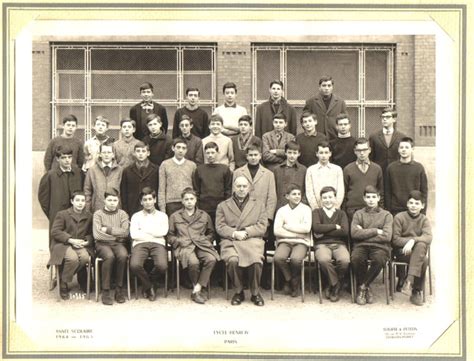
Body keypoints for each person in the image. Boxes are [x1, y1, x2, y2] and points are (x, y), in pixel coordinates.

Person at [216, 176, 268, 306]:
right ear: (234, 187)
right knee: (233, 260)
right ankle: (238, 291)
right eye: (239, 186)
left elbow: (262, 226)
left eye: (244, 186)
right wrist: (234, 233)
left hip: (251, 239)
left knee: (256, 261)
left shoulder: (259, 204)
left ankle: (255, 293)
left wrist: (246, 232)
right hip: (231, 241)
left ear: (249, 187)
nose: (241, 189)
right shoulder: (223, 206)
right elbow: (220, 227)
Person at [168, 188, 220, 304]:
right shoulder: (175, 216)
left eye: (192, 199)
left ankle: (197, 288)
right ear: (182, 201)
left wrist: (205, 239)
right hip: (185, 246)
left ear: (196, 200)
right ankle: (198, 291)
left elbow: (212, 233)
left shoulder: (204, 215)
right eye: (186, 199)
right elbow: (169, 236)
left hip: (201, 245)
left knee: (211, 259)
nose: (189, 202)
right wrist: (179, 241)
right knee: (193, 263)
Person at [351, 185, 393, 306]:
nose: (371, 200)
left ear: (378, 198)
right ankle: (367, 288)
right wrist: (376, 231)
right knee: (355, 258)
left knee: (379, 259)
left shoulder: (387, 215)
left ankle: (363, 287)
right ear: (364, 198)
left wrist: (363, 231)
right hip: (361, 245)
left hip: (380, 247)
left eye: (373, 197)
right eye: (368, 197)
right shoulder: (358, 214)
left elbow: (387, 236)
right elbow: (354, 233)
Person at [48, 191, 93, 299]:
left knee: (85, 257)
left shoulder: (89, 216)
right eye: (77, 200)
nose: (80, 203)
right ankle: (63, 283)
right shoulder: (63, 214)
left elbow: (91, 233)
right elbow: (55, 231)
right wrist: (70, 240)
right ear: (72, 201)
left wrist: (87, 241)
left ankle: (63, 277)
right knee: (72, 258)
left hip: (80, 245)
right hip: (63, 244)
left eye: (83, 201)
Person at [392, 190, 433, 306]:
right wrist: (409, 242)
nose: (413, 206)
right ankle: (416, 290)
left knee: (422, 251)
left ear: (422, 205)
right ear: (407, 204)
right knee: (422, 258)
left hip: (416, 253)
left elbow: (429, 237)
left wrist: (413, 240)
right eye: (411, 203)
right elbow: (395, 239)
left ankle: (410, 282)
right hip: (402, 252)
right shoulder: (399, 217)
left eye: (417, 203)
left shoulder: (424, 219)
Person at [38, 145, 83, 249]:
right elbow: (43, 198)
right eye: (63, 157)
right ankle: (57, 263)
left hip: (75, 213)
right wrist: (52, 212)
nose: (67, 160)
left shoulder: (78, 173)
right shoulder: (50, 175)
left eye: (69, 157)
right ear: (57, 159)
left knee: (75, 240)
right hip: (57, 213)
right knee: (57, 241)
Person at [129, 187, 169, 302]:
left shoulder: (163, 216)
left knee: (162, 265)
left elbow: (163, 232)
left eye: (150, 199)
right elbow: (134, 234)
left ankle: (149, 282)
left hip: (158, 243)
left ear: (155, 200)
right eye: (145, 200)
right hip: (140, 243)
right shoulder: (136, 216)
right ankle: (150, 286)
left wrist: (145, 231)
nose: (148, 202)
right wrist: (152, 233)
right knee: (135, 265)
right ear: (141, 202)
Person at [312, 186, 350, 302]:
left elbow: (344, 231)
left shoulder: (341, 214)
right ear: (321, 200)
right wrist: (334, 227)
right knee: (323, 260)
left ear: (335, 198)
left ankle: (331, 283)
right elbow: (316, 227)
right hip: (322, 244)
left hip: (339, 244)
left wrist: (324, 231)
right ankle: (336, 284)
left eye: (330, 197)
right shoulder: (317, 212)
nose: (328, 200)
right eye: (325, 198)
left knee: (345, 261)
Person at [273, 184, 311, 297]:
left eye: (299, 194)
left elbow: (306, 228)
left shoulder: (306, 209)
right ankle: (290, 279)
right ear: (287, 196)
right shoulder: (281, 210)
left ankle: (295, 280)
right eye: (294, 194)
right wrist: (297, 234)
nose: (297, 196)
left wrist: (288, 227)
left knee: (295, 259)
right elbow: (277, 230)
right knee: (278, 258)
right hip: (285, 241)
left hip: (301, 242)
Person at [93, 189, 130, 305]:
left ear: (118, 201)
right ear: (104, 200)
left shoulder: (122, 214)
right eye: (109, 200)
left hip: (118, 244)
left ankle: (119, 290)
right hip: (102, 244)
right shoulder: (98, 214)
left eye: (115, 200)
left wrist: (107, 229)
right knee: (109, 256)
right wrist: (117, 236)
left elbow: (125, 232)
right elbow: (97, 234)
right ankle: (106, 291)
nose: (112, 202)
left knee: (123, 255)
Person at [343, 137, 384, 223]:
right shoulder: (348, 169)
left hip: (372, 209)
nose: (362, 153)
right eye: (359, 150)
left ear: (369, 150)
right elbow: (344, 192)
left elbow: (381, 191)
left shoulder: (377, 169)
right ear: (355, 151)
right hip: (353, 210)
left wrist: (380, 209)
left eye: (365, 150)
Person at [233, 144, 277, 224]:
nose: (253, 157)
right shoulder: (238, 172)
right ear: (247, 156)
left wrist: (267, 218)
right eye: (250, 155)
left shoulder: (269, 174)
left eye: (255, 155)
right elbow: (234, 195)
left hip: (261, 216)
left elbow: (272, 198)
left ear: (260, 156)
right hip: (242, 215)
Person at [385, 137, 428, 215]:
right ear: (398, 149)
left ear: (412, 149)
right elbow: (387, 191)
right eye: (401, 147)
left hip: (414, 210)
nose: (404, 150)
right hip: (396, 210)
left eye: (407, 147)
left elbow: (424, 192)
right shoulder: (391, 168)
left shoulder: (419, 168)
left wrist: (423, 212)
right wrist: (388, 211)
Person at [193, 142, 233, 225]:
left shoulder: (224, 169)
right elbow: (196, 190)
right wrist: (198, 207)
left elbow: (228, 190)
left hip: (220, 206)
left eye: (212, 152)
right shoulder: (199, 170)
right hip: (204, 207)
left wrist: (225, 206)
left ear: (218, 153)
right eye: (208, 153)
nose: (210, 155)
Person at [158, 138, 196, 216]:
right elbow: (161, 188)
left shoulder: (192, 165)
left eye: (183, 148)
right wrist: (162, 208)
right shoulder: (165, 164)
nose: (181, 150)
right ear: (173, 148)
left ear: (186, 150)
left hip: (188, 202)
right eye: (178, 147)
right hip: (171, 203)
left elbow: (195, 187)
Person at [120, 141, 159, 218]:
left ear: (148, 153)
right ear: (134, 153)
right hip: (133, 207)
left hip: (151, 207)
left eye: (143, 151)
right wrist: (126, 211)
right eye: (138, 151)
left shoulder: (156, 169)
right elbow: (123, 193)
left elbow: (158, 189)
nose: (140, 154)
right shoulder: (127, 171)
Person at [303, 76, 347, 141]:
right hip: (316, 137)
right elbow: (304, 119)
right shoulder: (311, 101)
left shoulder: (340, 102)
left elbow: (345, 119)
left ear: (332, 87)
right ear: (319, 87)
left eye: (329, 86)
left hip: (335, 136)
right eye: (324, 85)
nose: (326, 88)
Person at [84, 143, 123, 213]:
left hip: (116, 209)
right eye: (104, 152)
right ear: (100, 154)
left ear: (113, 154)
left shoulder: (120, 170)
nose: (106, 155)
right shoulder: (92, 170)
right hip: (97, 209)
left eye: (109, 152)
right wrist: (87, 209)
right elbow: (87, 191)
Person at [306, 141, 344, 210]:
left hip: (334, 210)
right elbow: (309, 192)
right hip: (317, 209)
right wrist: (316, 209)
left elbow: (340, 191)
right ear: (317, 154)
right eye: (321, 153)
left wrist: (335, 207)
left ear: (330, 154)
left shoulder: (337, 169)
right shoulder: (311, 170)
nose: (324, 156)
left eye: (326, 153)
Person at [369, 107, 407, 175]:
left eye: (388, 117)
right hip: (379, 174)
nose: (384, 119)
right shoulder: (373, 137)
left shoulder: (402, 137)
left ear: (394, 119)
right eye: (382, 117)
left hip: (397, 173)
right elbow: (371, 158)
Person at [273, 141, 307, 210]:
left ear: (299, 154)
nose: (292, 156)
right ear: (285, 153)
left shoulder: (303, 170)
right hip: (281, 207)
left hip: (298, 206)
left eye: (295, 153)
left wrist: (302, 204)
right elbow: (274, 190)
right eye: (289, 152)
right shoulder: (277, 170)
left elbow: (306, 189)